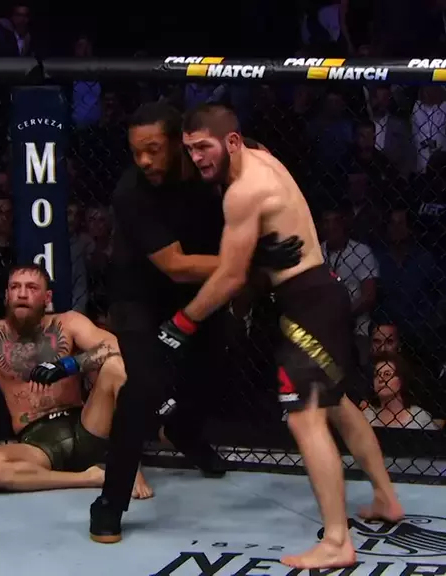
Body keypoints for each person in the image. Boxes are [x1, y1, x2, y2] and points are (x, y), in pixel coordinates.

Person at [159, 103, 405, 570]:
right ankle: (386, 499)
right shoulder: (259, 155)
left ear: (232, 142)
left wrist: (182, 322)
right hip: (318, 295)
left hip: (308, 304)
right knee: (338, 406)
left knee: (304, 419)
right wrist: (263, 255)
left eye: (204, 147)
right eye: (189, 149)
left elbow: (230, 277)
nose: (196, 157)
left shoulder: (243, 193)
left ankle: (337, 541)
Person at [89, 101, 303, 543]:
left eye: (153, 149)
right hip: (139, 297)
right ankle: (109, 502)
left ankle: (182, 429)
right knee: (145, 387)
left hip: (199, 289)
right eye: (135, 151)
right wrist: (251, 259)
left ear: (178, 144)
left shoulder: (210, 161)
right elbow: (176, 265)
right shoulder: (131, 193)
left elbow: (258, 164)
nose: (143, 160)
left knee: (216, 363)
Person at [0, 263, 151, 498]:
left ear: (47, 298)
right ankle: (93, 477)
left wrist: (67, 366)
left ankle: (129, 462)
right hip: (38, 445)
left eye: (31, 287)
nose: (22, 294)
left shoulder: (69, 323)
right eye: (15, 287)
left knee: (116, 366)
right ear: (6, 295)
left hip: (87, 426)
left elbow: (116, 347)